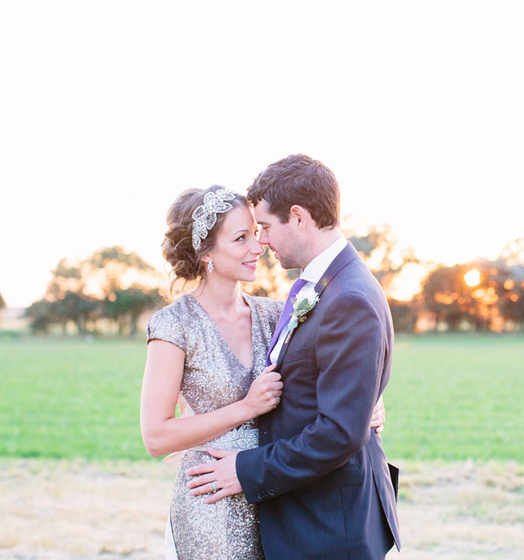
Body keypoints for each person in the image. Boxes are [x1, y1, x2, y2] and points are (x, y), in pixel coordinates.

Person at [140, 185, 386, 559]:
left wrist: (368, 403)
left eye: (256, 233)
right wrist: (247, 408)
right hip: (214, 500)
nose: (258, 247)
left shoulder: (275, 314)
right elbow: (156, 436)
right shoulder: (174, 326)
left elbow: (333, 372)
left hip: (279, 500)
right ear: (205, 252)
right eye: (241, 238)